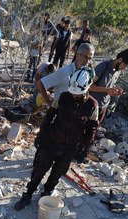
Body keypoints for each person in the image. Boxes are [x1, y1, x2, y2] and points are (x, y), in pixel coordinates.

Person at [15, 67, 99, 210]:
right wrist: (42, 135)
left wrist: (84, 149)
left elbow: (91, 129)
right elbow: (49, 116)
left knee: (57, 173)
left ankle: (46, 193)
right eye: (72, 93)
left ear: (87, 88)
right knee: (39, 170)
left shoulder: (92, 105)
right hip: (52, 141)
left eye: (77, 95)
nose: (74, 96)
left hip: (70, 147)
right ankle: (28, 194)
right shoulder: (64, 97)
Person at [37, 43, 95, 109]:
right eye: (85, 57)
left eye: (90, 58)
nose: (87, 61)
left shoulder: (87, 74)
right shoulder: (64, 72)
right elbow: (41, 83)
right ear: (77, 55)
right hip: (61, 113)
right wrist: (50, 103)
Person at [89, 48, 128, 123]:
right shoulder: (104, 66)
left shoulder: (118, 70)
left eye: (127, 66)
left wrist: (115, 89)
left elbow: (108, 85)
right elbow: (88, 86)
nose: (125, 68)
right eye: (125, 64)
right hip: (92, 106)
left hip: (104, 107)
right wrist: (107, 90)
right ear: (120, 59)